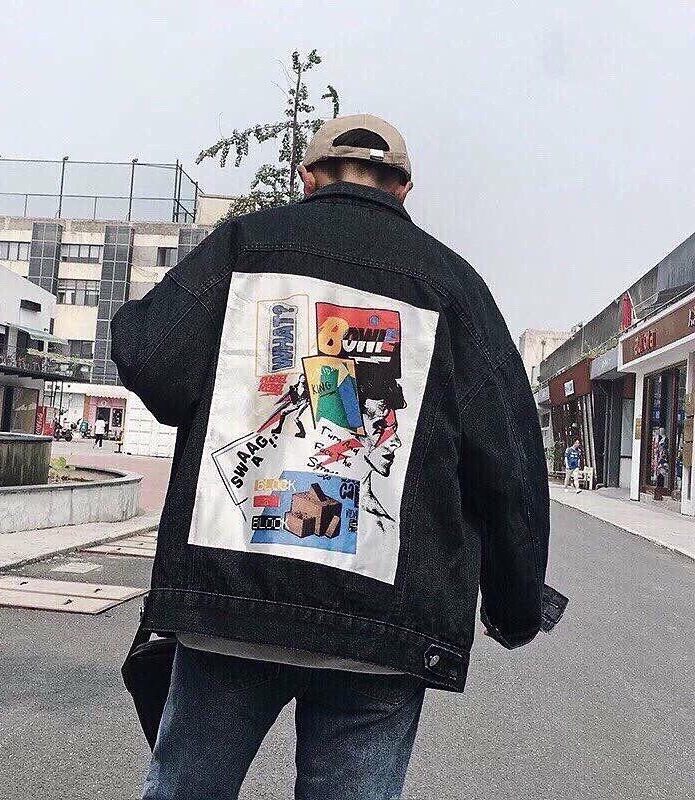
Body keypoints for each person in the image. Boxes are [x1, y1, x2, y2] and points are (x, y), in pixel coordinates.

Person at [111, 114, 550, 800]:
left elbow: (151, 359)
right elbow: (511, 463)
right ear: (403, 189)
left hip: (235, 600)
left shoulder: (246, 247)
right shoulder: (454, 287)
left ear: (308, 178)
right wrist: (513, 606)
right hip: (381, 625)